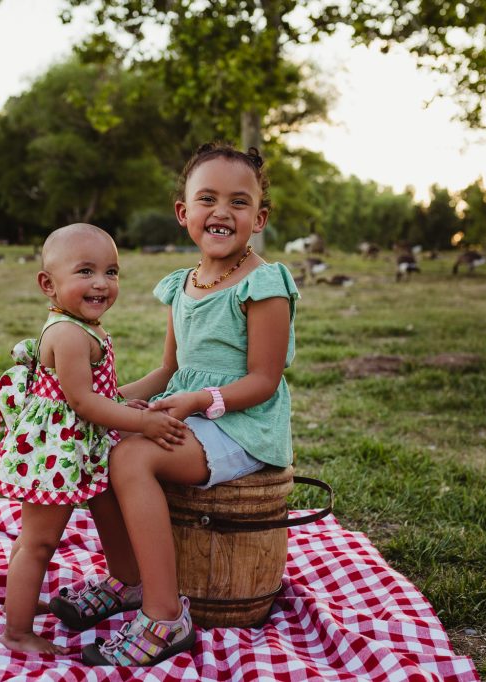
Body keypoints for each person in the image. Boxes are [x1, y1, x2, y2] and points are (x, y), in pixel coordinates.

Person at [71, 142, 300, 666]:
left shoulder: (265, 285)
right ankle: (127, 577)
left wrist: (198, 401)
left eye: (239, 202)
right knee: (97, 438)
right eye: (208, 198)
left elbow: (264, 380)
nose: (222, 212)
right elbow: (168, 371)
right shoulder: (183, 285)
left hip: (245, 427)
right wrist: (102, 401)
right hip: (192, 411)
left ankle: (165, 616)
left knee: (131, 455)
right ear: (185, 213)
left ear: (259, 218)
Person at [0, 223, 188, 654]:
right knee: (38, 542)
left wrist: (161, 378)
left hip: (70, 446)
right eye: (85, 272)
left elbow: (104, 398)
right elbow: (83, 402)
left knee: (43, 536)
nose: (101, 282)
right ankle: (17, 633)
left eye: (111, 272)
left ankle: (26, 601)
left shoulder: (82, 326)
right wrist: (142, 424)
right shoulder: (68, 334)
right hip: (54, 454)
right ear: (49, 284)